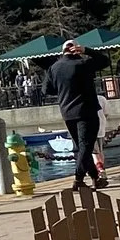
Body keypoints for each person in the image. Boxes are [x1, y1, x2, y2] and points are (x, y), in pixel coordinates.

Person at [47, 41, 106, 189]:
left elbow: (46, 89)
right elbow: (105, 60)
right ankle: (78, 179)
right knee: (86, 146)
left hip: (67, 112)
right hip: (87, 110)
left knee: (82, 148)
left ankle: (94, 177)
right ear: (76, 50)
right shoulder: (83, 63)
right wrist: (86, 50)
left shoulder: (54, 68)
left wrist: (63, 89)